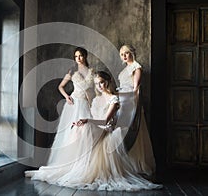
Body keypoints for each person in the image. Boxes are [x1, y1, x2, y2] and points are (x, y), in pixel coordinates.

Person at [26, 71, 162, 191]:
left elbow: (104, 121)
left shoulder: (114, 99)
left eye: (102, 83)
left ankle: (82, 164)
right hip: (95, 128)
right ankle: (77, 164)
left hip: (105, 130)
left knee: (85, 126)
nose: (99, 86)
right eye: (97, 84)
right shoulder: (96, 99)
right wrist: (82, 121)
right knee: (79, 128)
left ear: (107, 82)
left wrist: (87, 121)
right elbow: (93, 118)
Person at [25, 47, 96, 179]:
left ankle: (86, 163)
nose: (78, 58)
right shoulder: (73, 70)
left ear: (85, 56)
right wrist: (67, 97)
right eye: (76, 56)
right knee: (71, 134)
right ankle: (70, 162)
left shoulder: (92, 71)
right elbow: (60, 86)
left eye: (81, 55)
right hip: (75, 104)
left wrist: (96, 103)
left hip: (86, 104)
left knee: (86, 133)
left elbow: (94, 88)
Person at [118, 44, 157, 177]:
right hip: (122, 98)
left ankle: (134, 164)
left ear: (132, 53)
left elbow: (135, 89)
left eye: (126, 53)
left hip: (129, 100)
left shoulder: (136, 67)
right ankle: (123, 162)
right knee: (121, 131)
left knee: (130, 130)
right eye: (122, 54)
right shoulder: (126, 68)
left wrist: (131, 103)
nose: (124, 56)